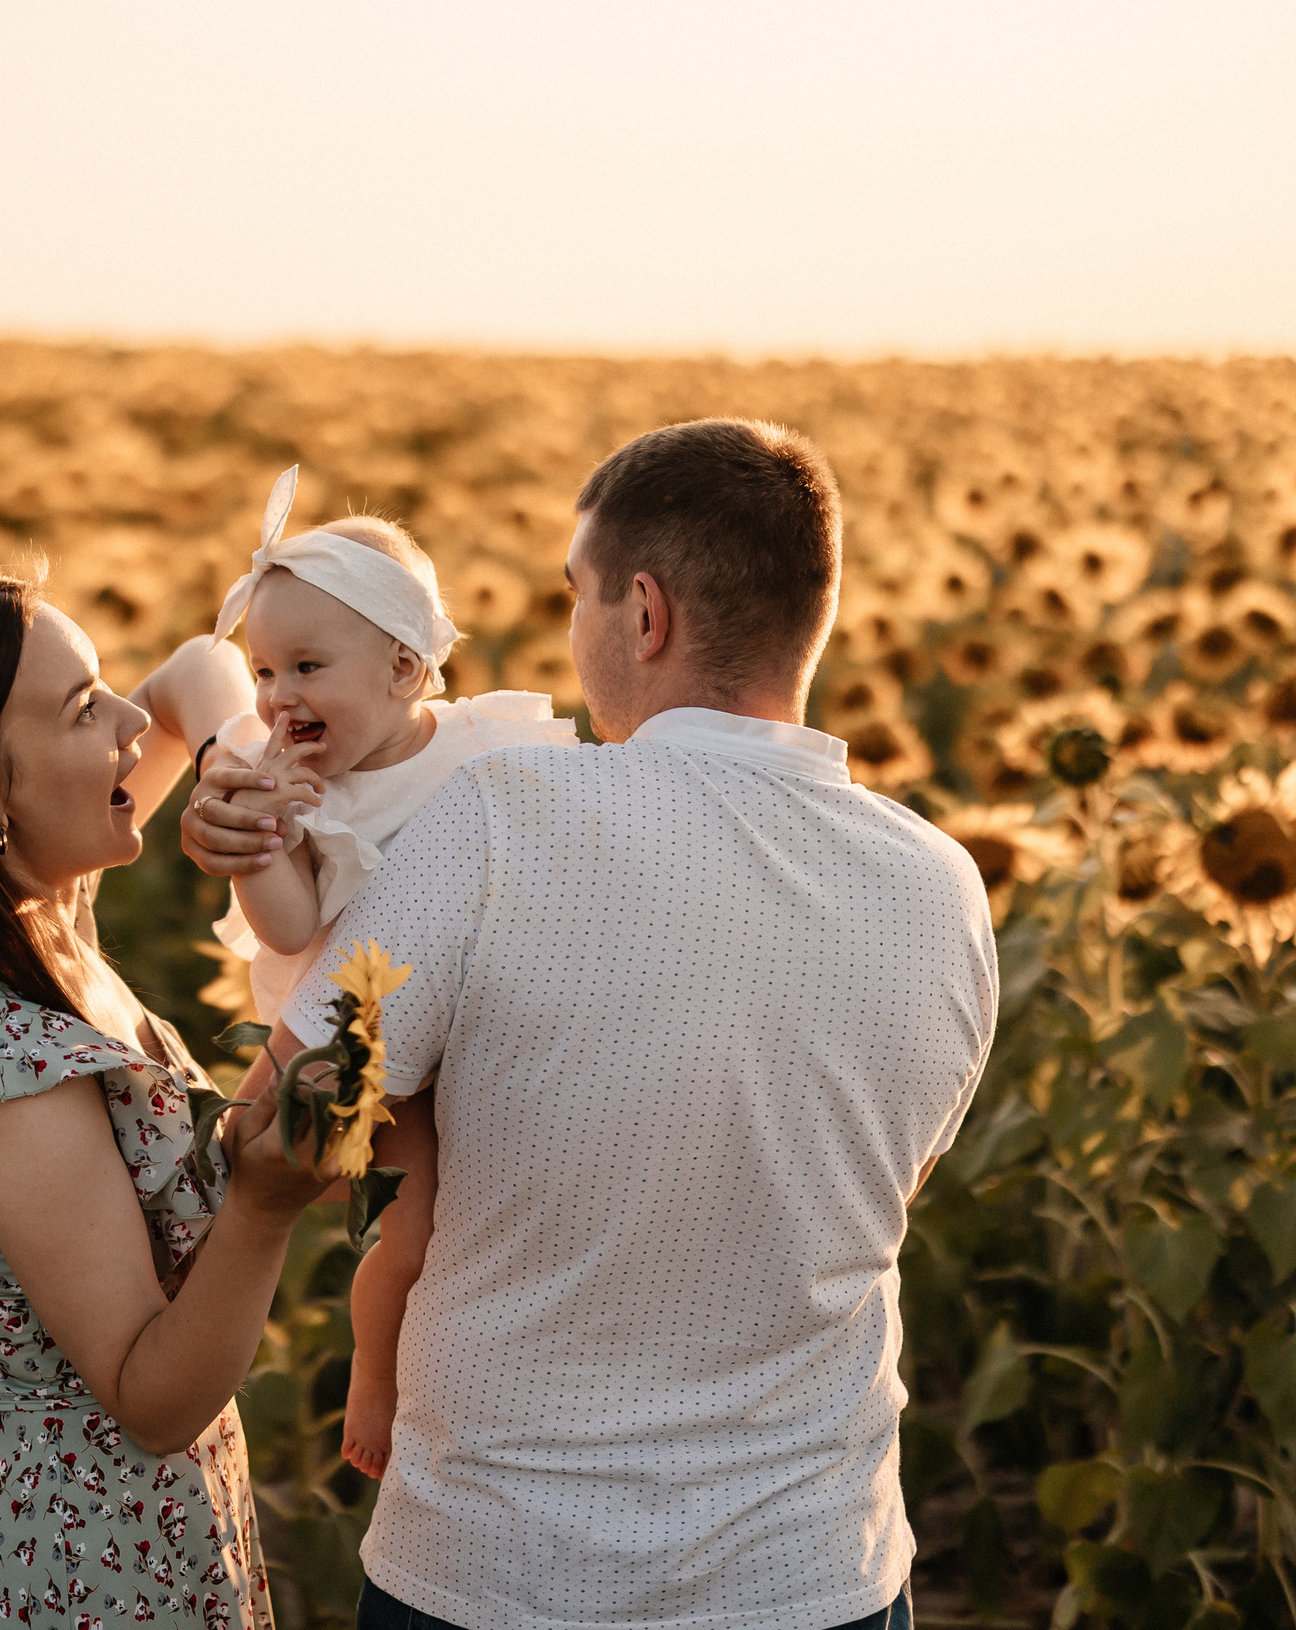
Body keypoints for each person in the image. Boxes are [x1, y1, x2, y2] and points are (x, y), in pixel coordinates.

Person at [184, 421, 998, 1630]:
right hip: (813, 1570)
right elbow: (887, 1182)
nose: (572, 634)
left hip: (499, 1568)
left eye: (577, 596)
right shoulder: (943, 886)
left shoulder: (495, 820)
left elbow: (293, 1135)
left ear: (644, 613)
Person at [0, 577, 334, 1630]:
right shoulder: (9, 1073)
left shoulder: (43, 923)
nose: (131, 722)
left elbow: (189, 676)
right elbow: (150, 1398)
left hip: (127, 1545)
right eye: (85, 708)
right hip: (82, 1573)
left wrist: (235, 764)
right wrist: (262, 1206)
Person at [193, 466, 572, 1480]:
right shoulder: (300, 789)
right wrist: (264, 839)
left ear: (405, 667)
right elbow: (288, 931)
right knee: (408, 1230)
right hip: (369, 1040)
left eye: (307, 666)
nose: (277, 696)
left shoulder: (487, 748)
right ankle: (373, 1375)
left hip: (489, 1023)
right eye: (263, 671)